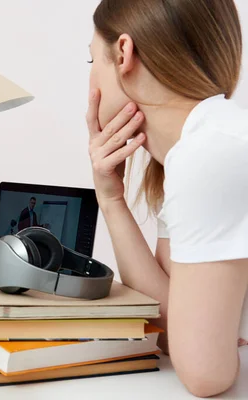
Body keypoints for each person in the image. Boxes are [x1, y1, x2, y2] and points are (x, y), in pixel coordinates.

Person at [87, 0, 247, 397]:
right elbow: (168, 321)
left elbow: (205, 375)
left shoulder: (210, 154)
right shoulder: (197, 147)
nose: (90, 78)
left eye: (90, 59)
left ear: (123, 53)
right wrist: (111, 200)